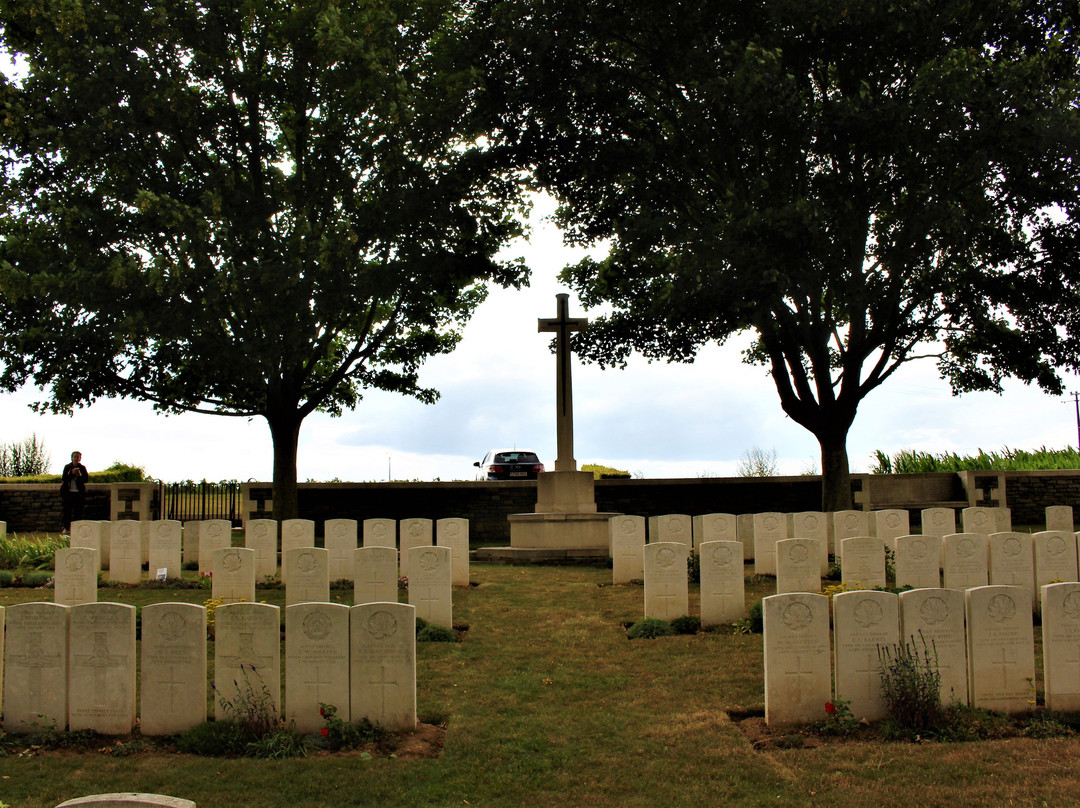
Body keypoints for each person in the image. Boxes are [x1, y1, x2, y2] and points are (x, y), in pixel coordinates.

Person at [60, 450, 88, 535]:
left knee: (78, 512)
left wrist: (79, 475)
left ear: (80, 459)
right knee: (67, 511)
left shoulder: (82, 468)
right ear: (72, 458)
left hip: (78, 493)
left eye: (78, 457)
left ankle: (77, 528)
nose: (76, 458)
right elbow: (64, 478)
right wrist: (72, 474)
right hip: (68, 493)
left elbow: (86, 479)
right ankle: (66, 527)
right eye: (74, 457)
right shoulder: (67, 467)